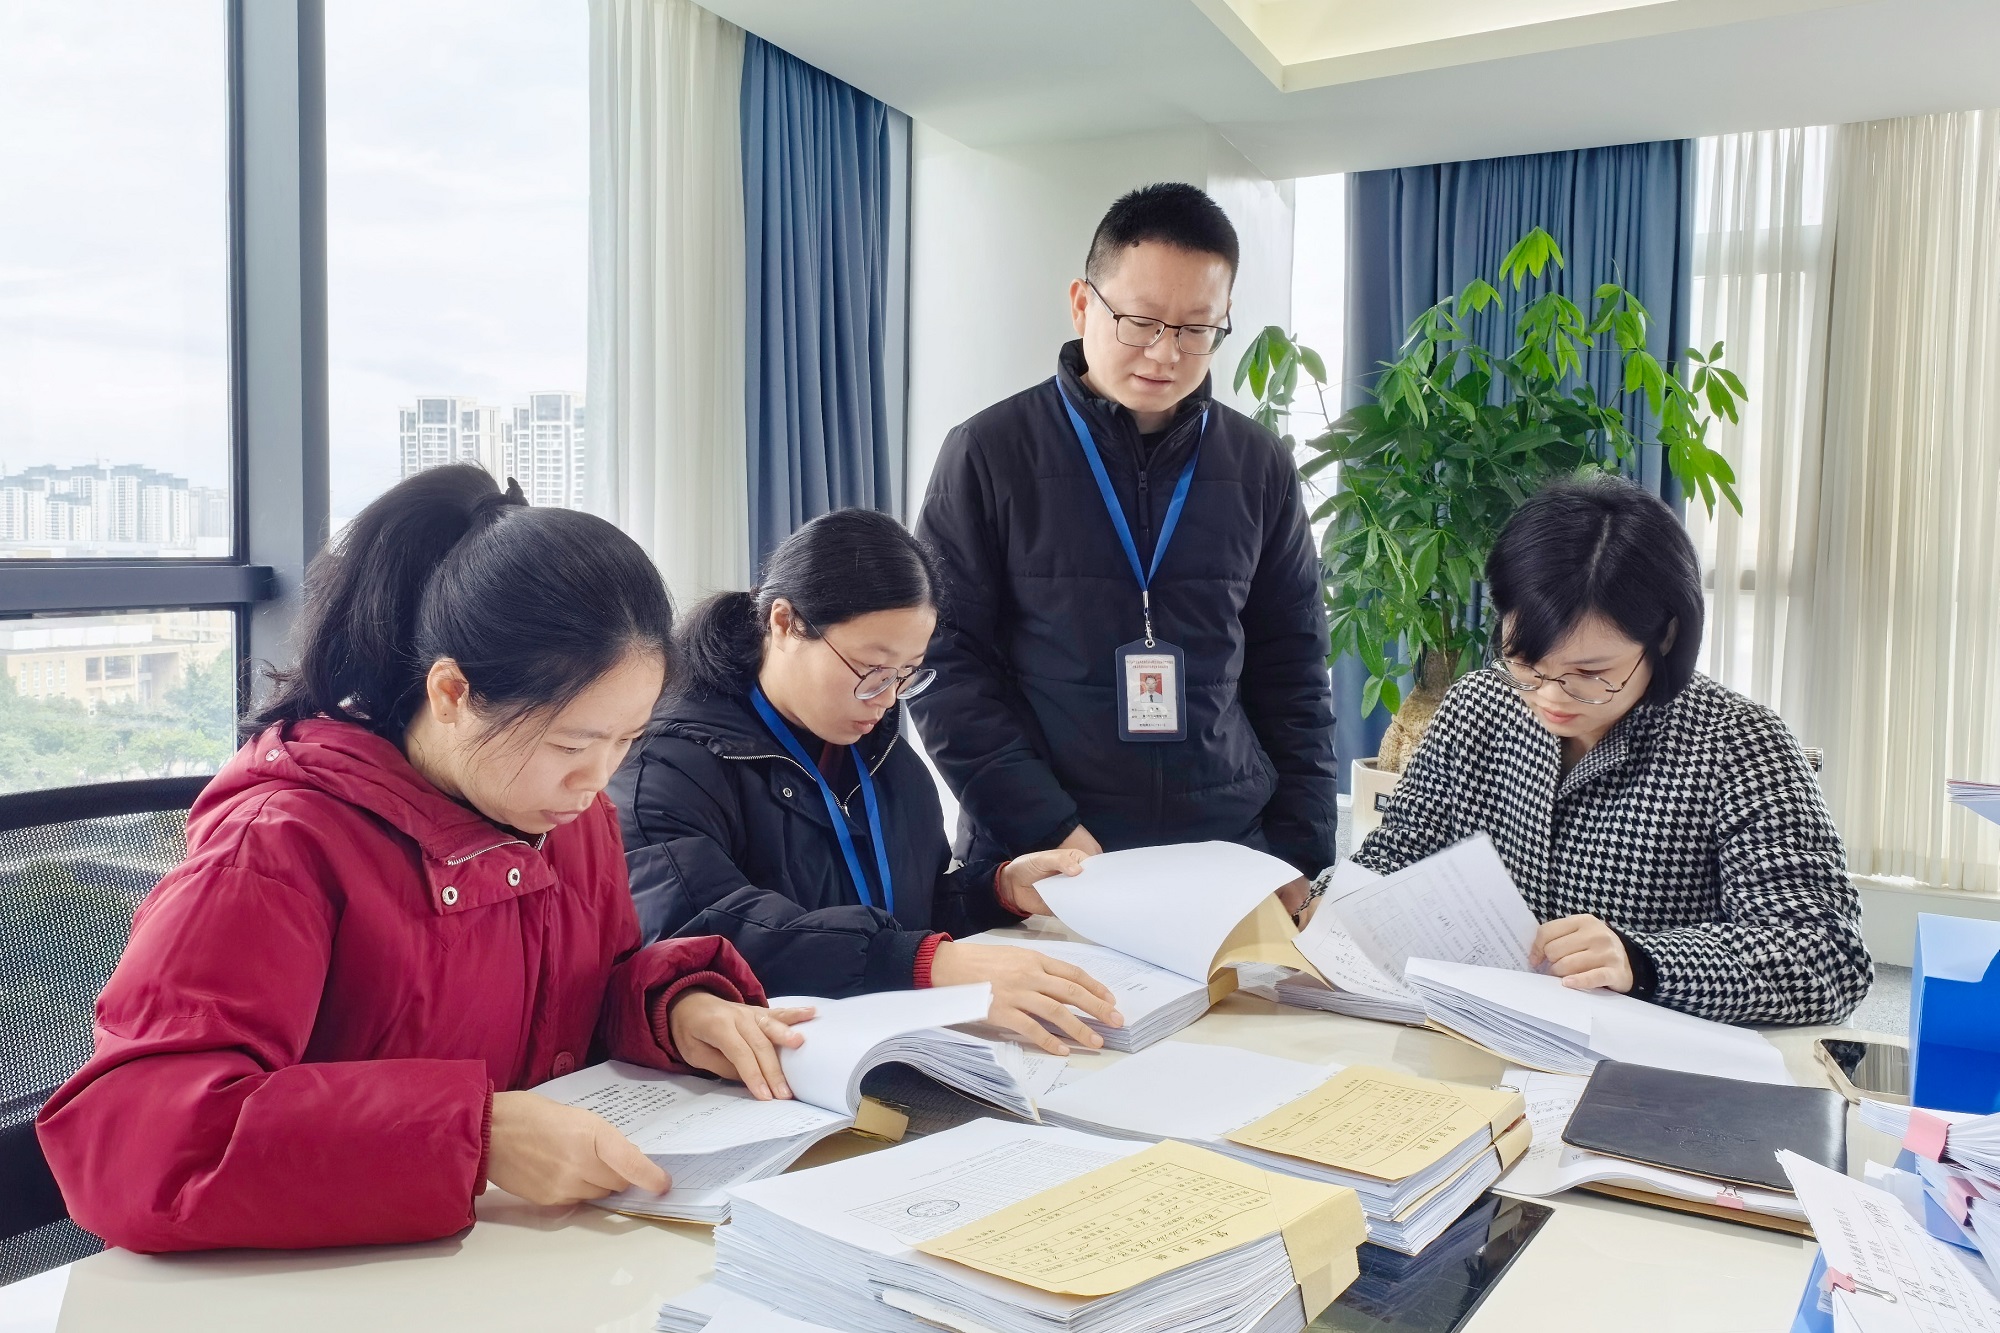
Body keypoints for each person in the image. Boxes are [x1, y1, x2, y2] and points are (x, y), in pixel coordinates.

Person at [37, 465, 809, 1254]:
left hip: (511, 1263)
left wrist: (673, 1010)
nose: (597, 779)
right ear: (450, 691)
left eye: (626, 740)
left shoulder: (571, 818)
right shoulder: (274, 846)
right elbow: (139, 1139)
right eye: (571, 743)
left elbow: (574, 998)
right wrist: (475, 1136)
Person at [911, 182, 1336, 906]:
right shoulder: (987, 452)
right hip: (1050, 861)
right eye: (1141, 321)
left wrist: (1298, 851)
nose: (1166, 353)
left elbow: (1293, 669)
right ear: (1083, 303)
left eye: (1197, 328)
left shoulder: (1257, 462)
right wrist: (1049, 826)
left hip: (1225, 854)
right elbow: (943, 668)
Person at [1348, 474, 1872, 1025]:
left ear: (1664, 637)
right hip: (1474, 1037)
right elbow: (1397, 855)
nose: (1550, 696)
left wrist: (1643, 964)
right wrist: (1323, 902)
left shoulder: (1739, 745)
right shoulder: (1478, 707)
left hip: (1651, 1067)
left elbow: (1828, 956)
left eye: (1589, 673)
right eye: (1526, 663)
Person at [612, 508, 1123, 1057]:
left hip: (892, 1048)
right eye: (869, 668)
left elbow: (905, 912)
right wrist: (927, 963)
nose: (884, 700)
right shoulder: (667, 765)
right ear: (784, 623)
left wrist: (996, 890)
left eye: (907, 674)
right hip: (763, 1078)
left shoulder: (887, 764)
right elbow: (705, 935)